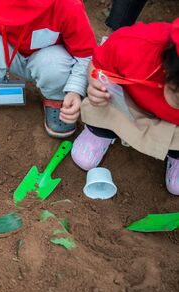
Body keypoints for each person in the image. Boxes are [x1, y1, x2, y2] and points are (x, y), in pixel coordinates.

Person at [0, 0, 97, 138]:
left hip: (47, 60)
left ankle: (55, 96)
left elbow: (86, 54)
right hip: (9, 52)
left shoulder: (67, 4)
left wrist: (75, 90)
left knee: (55, 63)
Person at [71, 18, 179, 195]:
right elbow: (98, 66)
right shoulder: (136, 44)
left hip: (173, 126)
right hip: (127, 104)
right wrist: (95, 84)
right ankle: (102, 130)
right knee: (84, 160)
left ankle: (176, 152)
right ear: (169, 68)